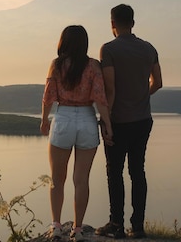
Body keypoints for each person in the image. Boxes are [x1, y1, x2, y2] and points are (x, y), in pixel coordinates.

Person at [40, 25, 114, 242]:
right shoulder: (93, 66)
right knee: (81, 180)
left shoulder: (56, 65)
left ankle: (56, 226)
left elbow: (48, 97)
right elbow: (100, 99)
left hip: (62, 119)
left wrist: (44, 120)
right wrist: (107, 124)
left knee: (57, 180)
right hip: (87, 120)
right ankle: (78, 229)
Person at [95, 4, 163, 239]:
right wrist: (141, 96)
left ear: (112, 24)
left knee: (114, 172)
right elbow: (158, 82)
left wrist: (107, 121)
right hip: (143, 120)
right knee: (138, 171)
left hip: (119, 120)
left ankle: (116, 225)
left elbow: (110, 88)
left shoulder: (109, 49)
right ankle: (138, 226)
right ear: (133, 23)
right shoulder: (149, 48)